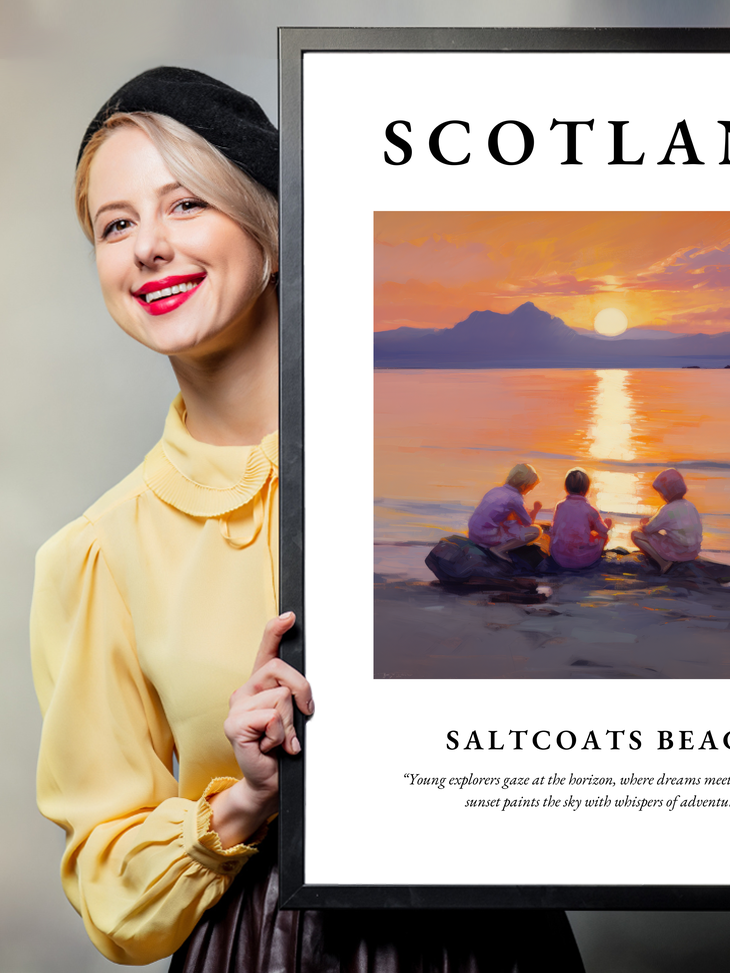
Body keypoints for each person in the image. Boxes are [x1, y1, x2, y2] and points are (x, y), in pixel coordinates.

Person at [30, 67, 584, 972]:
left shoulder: (431, 466)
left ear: (273, 230)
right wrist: (245, 800)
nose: (148, 247)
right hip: (263, 948)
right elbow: (110, 892)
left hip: (494, 940)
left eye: (186, 205)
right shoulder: (98, 554)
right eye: (116, 224)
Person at [630, 467, 702, 573]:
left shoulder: (667, 509)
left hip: (677, 553)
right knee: (667, 537)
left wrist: (644, 524)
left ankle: (663, 563)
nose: (661, 496)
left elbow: (649, 530)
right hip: (693, 553)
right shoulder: (690, 506)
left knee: (635, 535)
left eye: (661, 493)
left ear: (667, 492)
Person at [467, 462, 543, 562]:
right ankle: (499, 549)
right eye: (531, 487)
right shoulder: (516, 498)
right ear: (524, 485)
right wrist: (536, 510)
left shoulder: (495, 490)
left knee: (510, 524)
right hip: (487, 537)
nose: (530, 489)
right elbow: (527, 523)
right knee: (536, 531)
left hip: (474, 534)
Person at [549, 467, 612, 570]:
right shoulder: (590, 510)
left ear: (566, 487)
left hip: (558, 557)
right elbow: (603, 530)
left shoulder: (560, 506)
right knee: (602, 536)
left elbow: (554, 529)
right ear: (586, 489)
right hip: (581, 560)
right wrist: (607, 524)